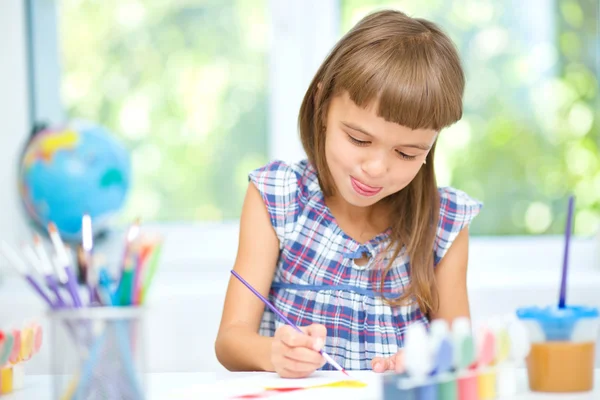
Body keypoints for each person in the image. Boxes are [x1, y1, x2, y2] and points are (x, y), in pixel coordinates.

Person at [215, 9, 482, 378]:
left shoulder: (445, 222)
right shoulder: (277, 196)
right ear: (322, 107)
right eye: (359, 139)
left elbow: (459, 352)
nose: (375, 167)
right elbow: (230, 340)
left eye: (407, 153)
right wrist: (275, 354)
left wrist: (424, 362)